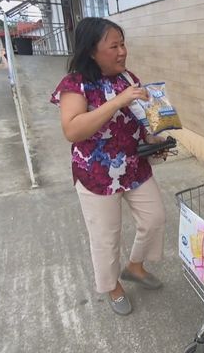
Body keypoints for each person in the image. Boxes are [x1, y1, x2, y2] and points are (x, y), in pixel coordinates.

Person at [50, 18, 167, 316]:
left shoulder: (128, 78)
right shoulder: (75, 84)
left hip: (134, 166)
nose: (122, 52)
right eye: (113, 46)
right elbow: (73, 130)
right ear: (91, 51)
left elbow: (140, 118)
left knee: (154, 218)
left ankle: (135, 266)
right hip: (96, 174)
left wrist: (155, 139)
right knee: (106, 236)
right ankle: (112, 285)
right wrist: (116, 102)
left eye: (123, 43)